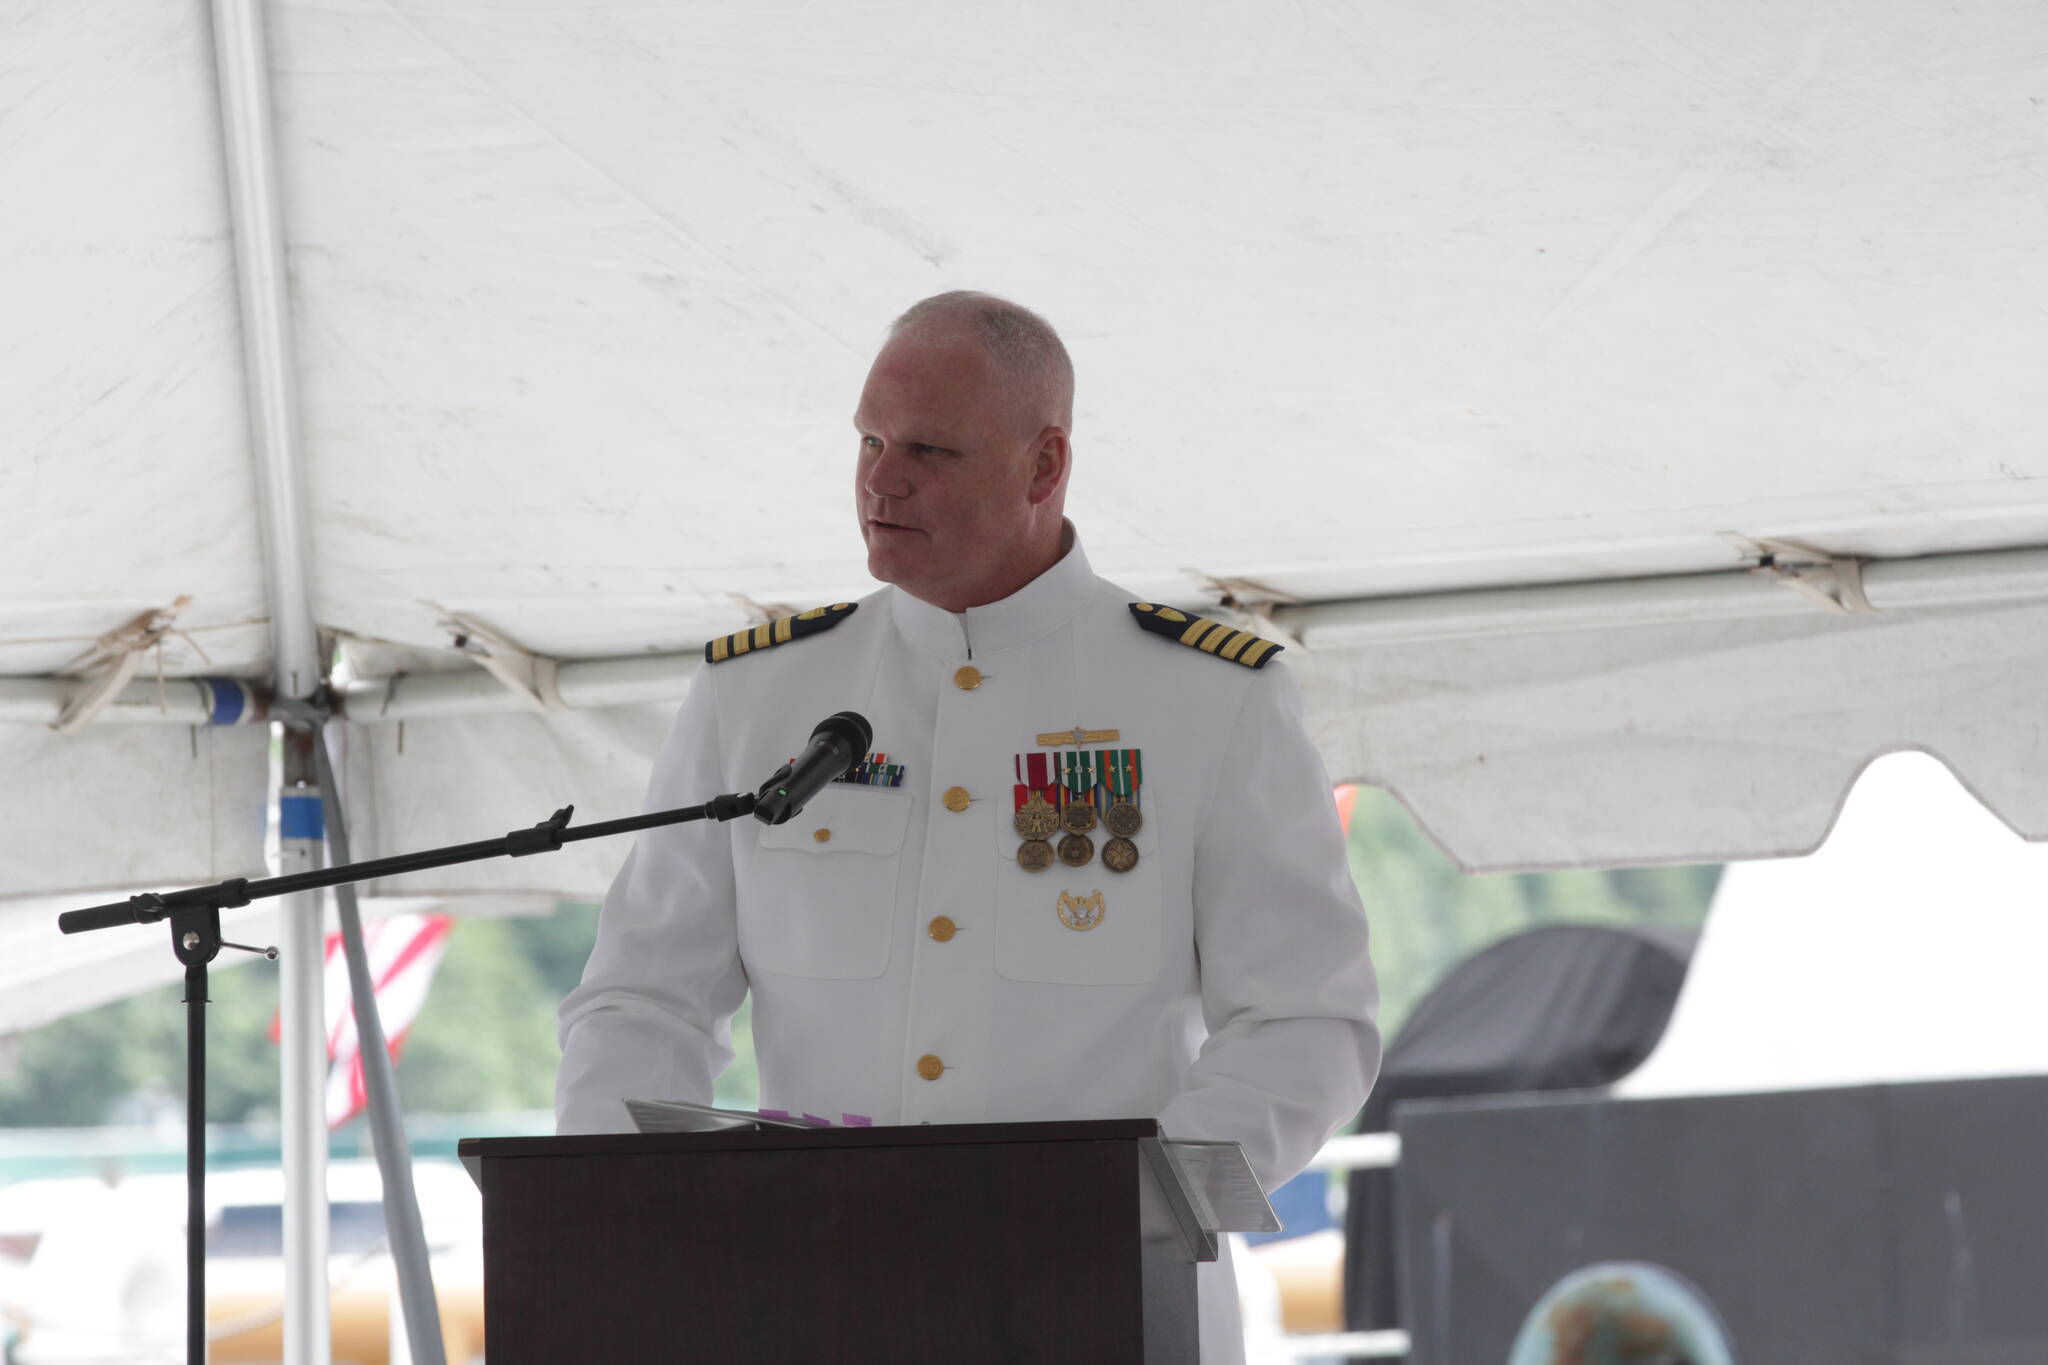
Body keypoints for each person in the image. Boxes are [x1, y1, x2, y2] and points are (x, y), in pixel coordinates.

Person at [555, 291, 1381, 1364]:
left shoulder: (1207, 698)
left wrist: (1132, 1209)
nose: (880, 480)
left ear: (1044, 466)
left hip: (1105, 1304)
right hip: (813, 1298)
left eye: (929, 450)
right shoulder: (759, 697)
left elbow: (1308, 1021)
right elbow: (642, 998)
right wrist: (621, 1208)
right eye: (868, 440)